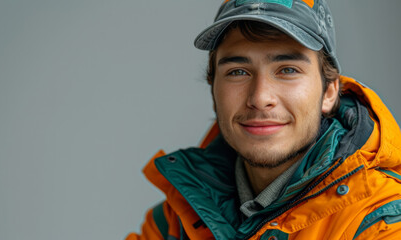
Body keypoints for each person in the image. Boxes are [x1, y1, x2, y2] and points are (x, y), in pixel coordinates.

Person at [126, 0, 401, 239]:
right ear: (213, 89)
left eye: (288, 70)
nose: (260, 97)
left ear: (329, 92)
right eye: (237, 72)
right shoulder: (175, 222)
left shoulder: (381, 222)